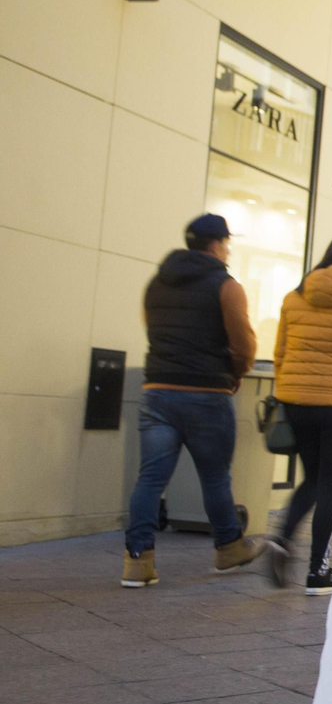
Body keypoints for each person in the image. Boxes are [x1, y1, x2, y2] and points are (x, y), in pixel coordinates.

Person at [122, 214, 269, 586]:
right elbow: (243, 345)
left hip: (157, 393)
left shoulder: (155, 283)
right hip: (206, 394)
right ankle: (228, 549)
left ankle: (137, 562)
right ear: (217, 244)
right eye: (227, 244)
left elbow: (153, 331)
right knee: (215, 478)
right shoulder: (226, 285)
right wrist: (235, 374)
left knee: (150, 479)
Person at [268, 233, 332, 596]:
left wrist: (288, 392)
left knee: (311, 478)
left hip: (296, 401)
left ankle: (282, 538)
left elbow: (280, 352)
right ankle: (318, 572)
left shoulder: (294, 296)